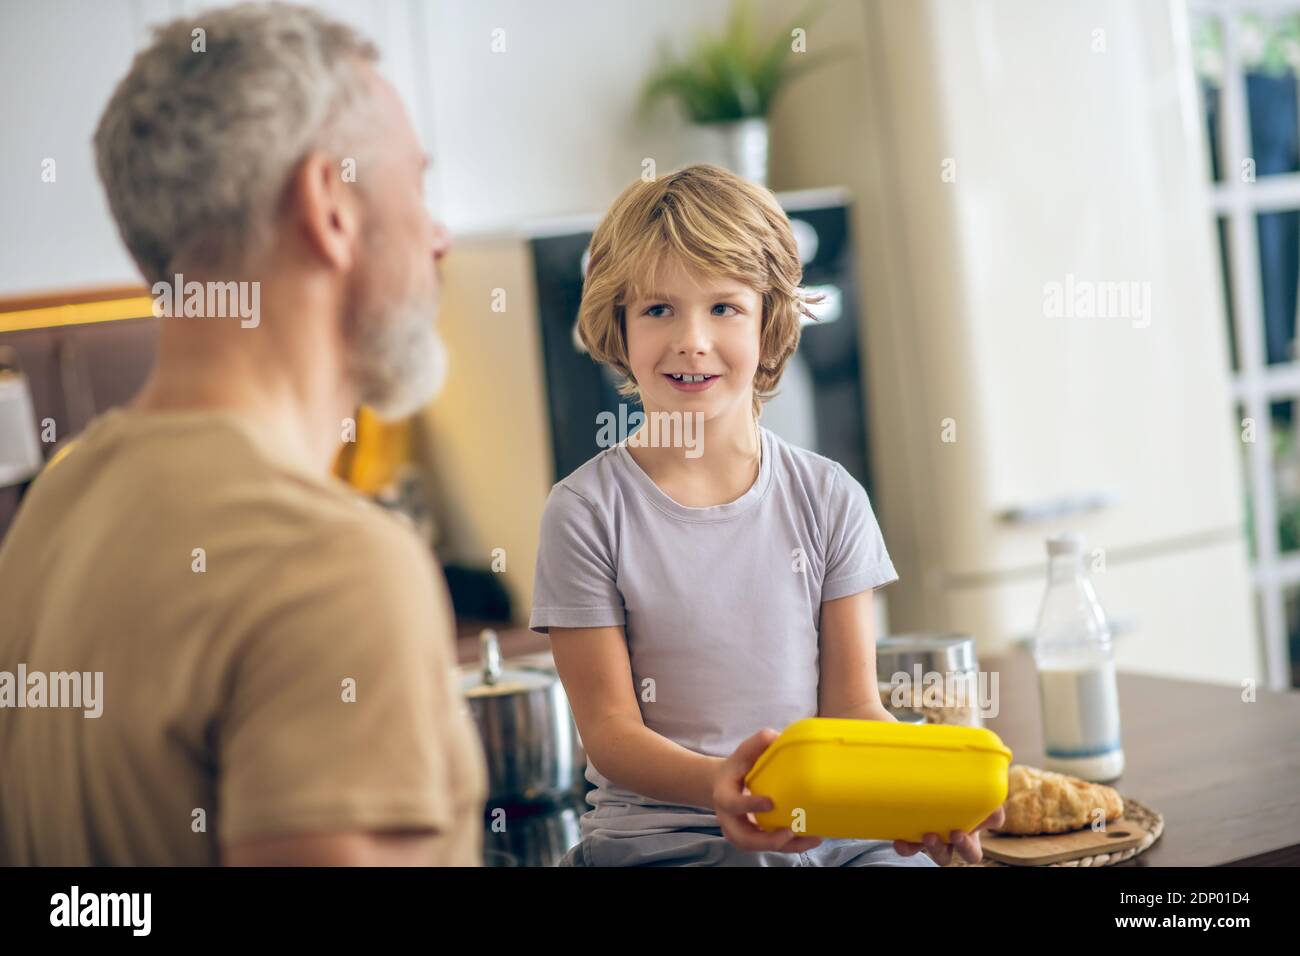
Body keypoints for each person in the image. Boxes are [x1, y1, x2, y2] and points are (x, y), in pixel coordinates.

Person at [0, 2, 485, 866]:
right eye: (417, 184)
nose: (439, 238)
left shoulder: (52, 509)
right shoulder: (333, 569)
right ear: (330, 206)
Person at [530, 164, 1003, 866]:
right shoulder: (584, 513)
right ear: (619, 327)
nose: (692, 338)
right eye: (659, 310)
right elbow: (609, 733)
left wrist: (922, 797)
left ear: (770, 322)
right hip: (664, 841)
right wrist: (722, 785)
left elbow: (853, 711)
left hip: (828, 834)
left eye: (724, 307)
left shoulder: (830, 497)